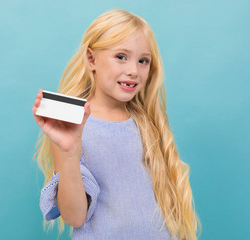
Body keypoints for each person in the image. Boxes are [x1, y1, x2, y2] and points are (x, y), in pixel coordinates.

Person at [32, 9, 201, 240]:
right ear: (92, 59)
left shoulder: (146, 123)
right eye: (121, 56)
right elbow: (74, 217)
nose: (133, 70)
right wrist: (69, 153)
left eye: (143, 61)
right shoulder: (70, 125)